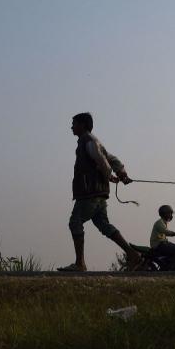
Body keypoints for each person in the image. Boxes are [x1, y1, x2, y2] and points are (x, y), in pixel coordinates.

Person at [58, 112, 141, 272]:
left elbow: (101, 160)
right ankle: (132, 254)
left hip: (90, 193)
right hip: (100, 194)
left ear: (82, 125)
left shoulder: (87, 141)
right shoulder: (95, 141)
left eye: (74, 123)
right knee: (104, 225)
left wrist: (109, 174)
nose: (71, 127)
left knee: (75, 222)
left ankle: (80, 264)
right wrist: (121, 172)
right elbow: (112, 159)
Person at [149, 204, 175, 270]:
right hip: (158, 245)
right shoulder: (159, 223)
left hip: (163, 243)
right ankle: (170, 269)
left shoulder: (163, 222)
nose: (171, 215)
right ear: (165, 214)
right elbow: (168, 233)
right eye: (170, 213)